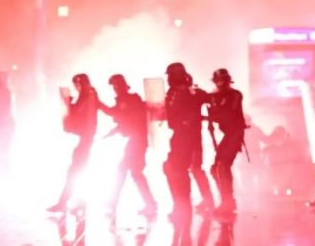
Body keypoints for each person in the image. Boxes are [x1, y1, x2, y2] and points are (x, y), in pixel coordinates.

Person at [102, 74, 157, 217]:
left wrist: (97, 103)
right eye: (114, 86)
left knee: (133, 172)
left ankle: (150, 204)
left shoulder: (131, 99)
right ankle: (115, 201)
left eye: (117, 85)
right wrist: (113, 131)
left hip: (138, 140)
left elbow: (129, 118)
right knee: (129, 171)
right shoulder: (125, 100)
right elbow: (123, 119)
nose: (115, 88)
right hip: (135, 140)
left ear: (123, 85)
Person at [163, 63, 212, 223]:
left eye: (171, 75)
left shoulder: (190, 92)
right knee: (190, 169)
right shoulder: (184, 91)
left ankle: (183, 206)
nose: (169, 79)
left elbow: (212, 100)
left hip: (186, 138)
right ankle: (191, 204)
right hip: (184, 137)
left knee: (179, 170)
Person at [48, 73, 99, 213]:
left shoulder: (88, 97)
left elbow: (78, 112)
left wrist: (68, 104)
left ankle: (67, 202)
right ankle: (72, 201)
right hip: (85, 138)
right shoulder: (90, 96)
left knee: (75, 171)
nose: (77, 87)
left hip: (86, 139)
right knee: (76, 170)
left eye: (78, 84)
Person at [207, 68, 246, 216]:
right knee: (215, 168)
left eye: (223, 80)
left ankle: (227, 202)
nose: (220, 83)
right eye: (218, 80)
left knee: (222, 166)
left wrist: (212, 115)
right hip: (228, 134)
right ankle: (227, 199)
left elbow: (227, 113)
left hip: (235, 134)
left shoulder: (235, 95)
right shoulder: (214, 96)